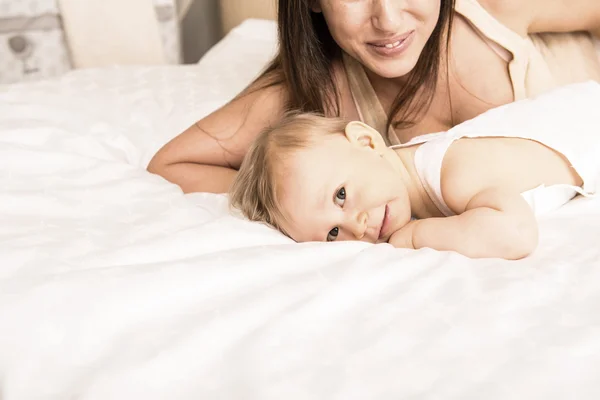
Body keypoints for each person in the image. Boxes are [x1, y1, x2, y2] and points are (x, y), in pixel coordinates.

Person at [147, 0, 600, 194]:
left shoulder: (490, 11)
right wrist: (297, 198)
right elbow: (172, 164)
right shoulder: (317, 97)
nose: (387, 19)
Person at [228, 82, 599, 259]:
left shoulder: (453, 173)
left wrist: (417, 236)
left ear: (369, 142)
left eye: (341, 195)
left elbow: (515, 234)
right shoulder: (397, 176)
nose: (357, 226)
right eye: (332, 233)